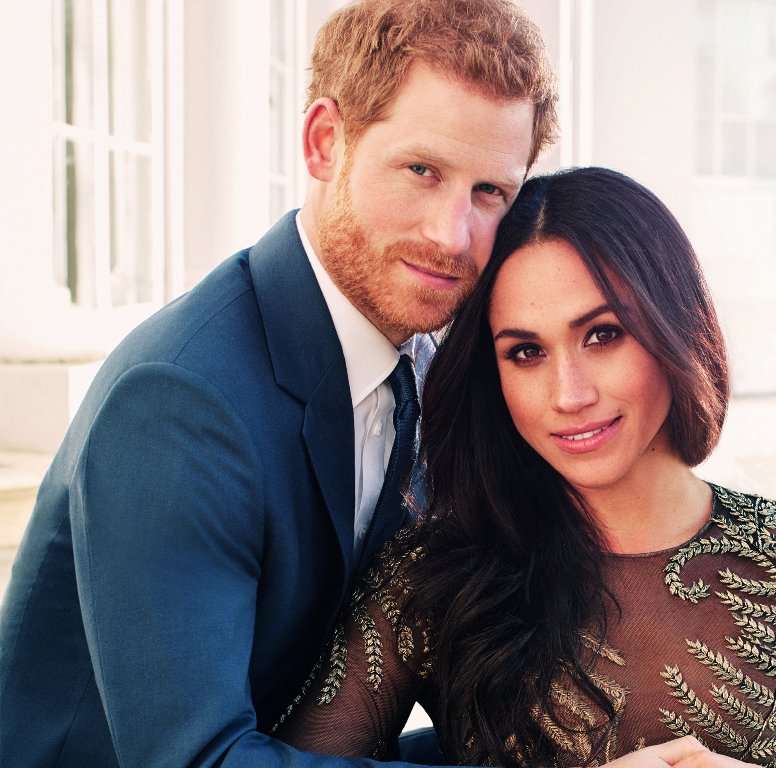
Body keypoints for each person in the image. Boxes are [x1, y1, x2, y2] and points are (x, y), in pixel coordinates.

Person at [0, 1, 556, 765]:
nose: (451, 234)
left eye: (490, 192)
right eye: (421, 170)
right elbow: (200, 760)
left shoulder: (422, 368)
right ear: (325, 141)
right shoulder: (179, 401)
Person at [274, 167, 776, 768]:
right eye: (525, 352)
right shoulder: (433, 578)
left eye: (602, 335)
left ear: (674, 328)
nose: (569, 394)